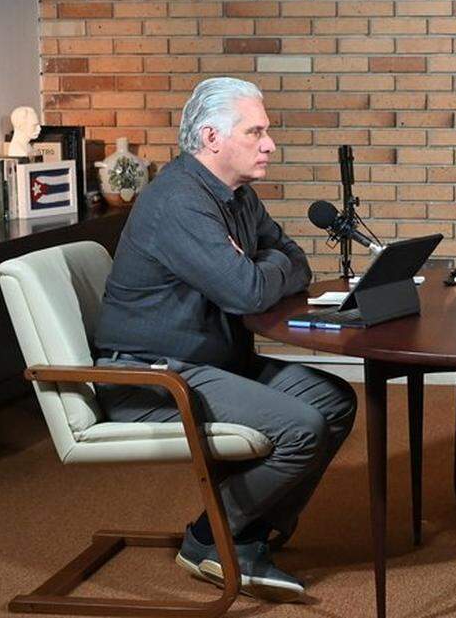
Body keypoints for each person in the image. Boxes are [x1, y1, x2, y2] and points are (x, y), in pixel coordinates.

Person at [93, 77, 357, 602]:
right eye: (255, 131)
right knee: (303, 428)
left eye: (267, 131)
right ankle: (208, 538)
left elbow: (296, 261)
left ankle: (249, 532)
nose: (269, 144)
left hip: (212, 362)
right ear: (212, 138)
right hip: (154, 376)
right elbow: (247, 292)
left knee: (336, 400)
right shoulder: (179, 202)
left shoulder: (237, 196)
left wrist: (261, 265)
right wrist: (259, 269)